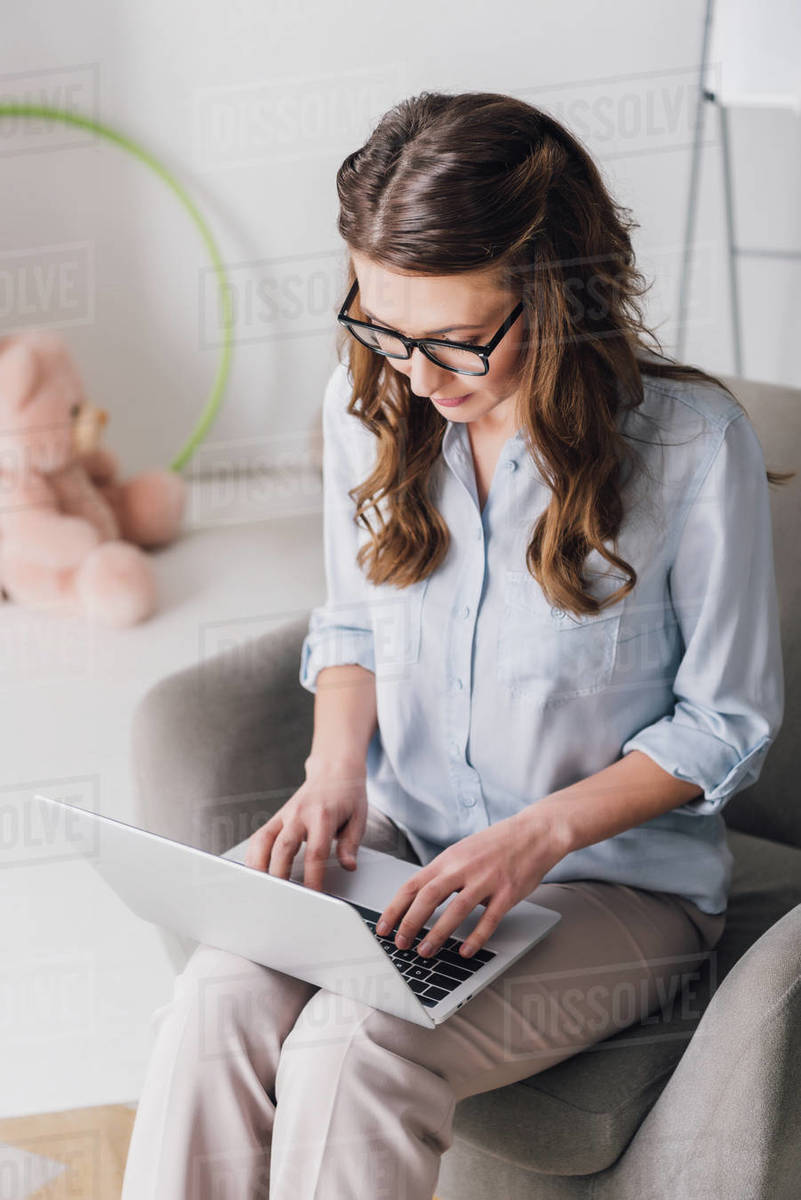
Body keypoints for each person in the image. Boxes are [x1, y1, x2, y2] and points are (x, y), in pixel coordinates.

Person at [121, 91, 788, 1199]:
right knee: (217, 996)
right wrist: (334, 774)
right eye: (381, 326)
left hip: (614, 888)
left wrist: (532, 840)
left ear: (559, 291)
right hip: (401, 840)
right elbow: (352, 620)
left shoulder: (690, 450)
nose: (416, 377)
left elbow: (727, 724)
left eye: (454, 341)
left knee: (355, 1047)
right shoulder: (370, 399)